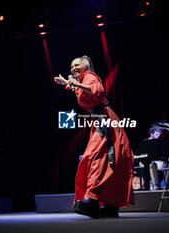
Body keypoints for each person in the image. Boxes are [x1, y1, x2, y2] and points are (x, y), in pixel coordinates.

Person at [54, 55, 134, 218]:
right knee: (106, 159)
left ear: (87, 66)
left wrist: (75, 83)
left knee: (97, 157)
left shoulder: (90, 77)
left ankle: (92, 199)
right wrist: (67, 83)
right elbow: (79, 90)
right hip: (98, 120)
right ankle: (110, 204)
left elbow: (97, 90)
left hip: (105, 120)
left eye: (76, 65)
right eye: (71, 67)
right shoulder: (82, 80)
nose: (73, 69)